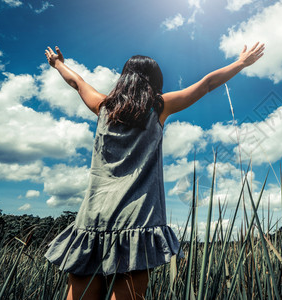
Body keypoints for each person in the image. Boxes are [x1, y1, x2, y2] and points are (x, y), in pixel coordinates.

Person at [43, 42, 265, 300]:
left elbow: (77, 82)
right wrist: (240, 63)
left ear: (124, 77)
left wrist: (58, 63)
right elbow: (206, 84)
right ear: (154, 81)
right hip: (137, 220)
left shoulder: (103, 107)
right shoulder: (158, 107)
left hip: (93, 218)